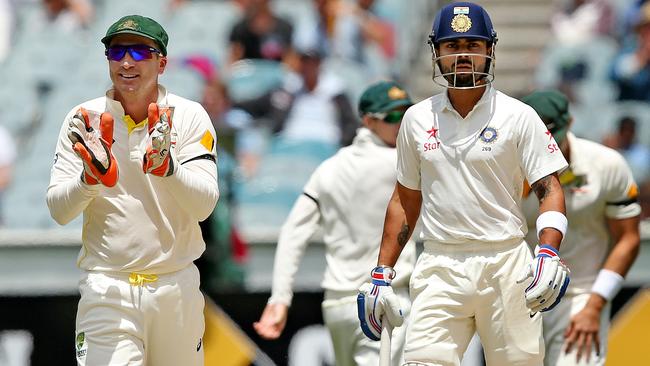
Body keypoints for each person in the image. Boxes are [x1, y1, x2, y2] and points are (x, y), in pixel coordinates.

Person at [356, 3, 571, 365]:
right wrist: (382, 272)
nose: (463, 56)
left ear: (490, 50)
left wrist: (548, 251)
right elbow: (405, 199)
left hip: (506, 262)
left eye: (473, 45)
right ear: (436, 52)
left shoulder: (519, 116)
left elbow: (549, 189)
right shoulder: (416, 119)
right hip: (441, 262)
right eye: (452, 47)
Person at [46, 15, 219, 366]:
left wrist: (169, 170)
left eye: (141, 52)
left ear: (162, 62)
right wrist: (89, 181)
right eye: (116, 51)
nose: (127, 62)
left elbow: (204, 206)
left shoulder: (188, 116)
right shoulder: (84, 119)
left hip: (175, 287)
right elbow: (59, 210)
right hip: (108, 288)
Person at [254, 81, 417, 366]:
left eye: (407, 114)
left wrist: (280, 299)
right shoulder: (405, 163)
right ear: (368, 121)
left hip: (338, 307)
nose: (402, 123)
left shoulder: (328, 169)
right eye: (393, 117)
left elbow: (293, 232)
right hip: (385, 301)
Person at [521, 90, 641, 366]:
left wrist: (595, 304)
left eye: (552, 135)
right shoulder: (502, 170)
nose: (546, 146)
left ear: (569, 123)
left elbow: (629, 238)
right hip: (518, 298)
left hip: (580, 296)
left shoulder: (606, 164)